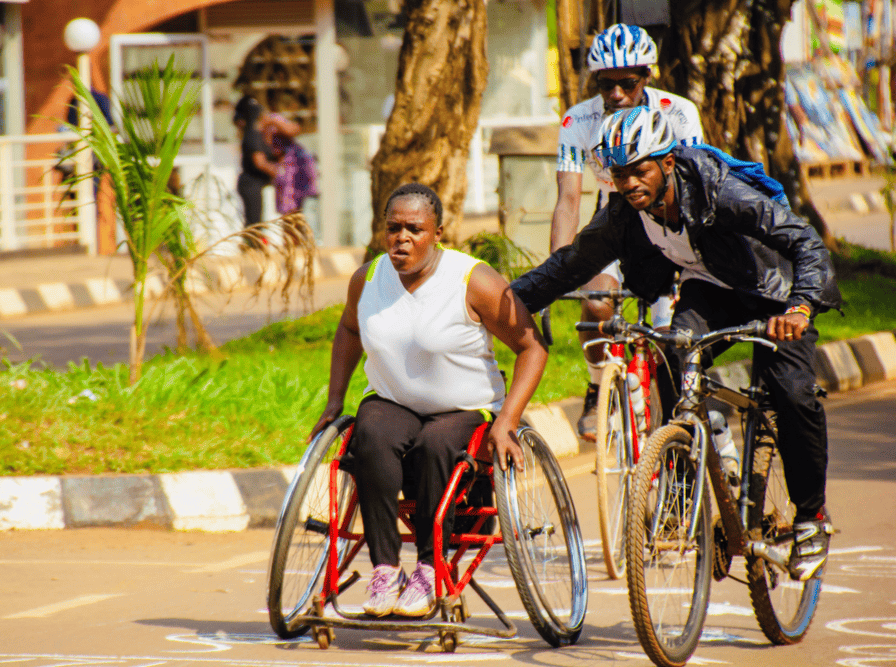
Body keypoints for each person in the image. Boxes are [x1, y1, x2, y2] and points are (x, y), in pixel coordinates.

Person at [511, 106, 841, 582]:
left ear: (667, 162)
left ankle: (812, 518)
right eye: (619, 174)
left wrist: (801, 307)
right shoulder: (626, 214)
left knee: (790, 391)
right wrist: (499, 300)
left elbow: (805, 240)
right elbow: (569, 265)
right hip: (713, 288)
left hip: (777, 291)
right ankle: (684, 490)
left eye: (639, 169)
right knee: (673, 352)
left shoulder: (720, 191)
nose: (628, 183)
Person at [308, 183, 548, 617]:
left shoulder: (472, 280)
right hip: (393, 400)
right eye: (393, 228)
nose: (402, 238)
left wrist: (507, 420)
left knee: (435, 445)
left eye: (414, 229)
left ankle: (427, 566)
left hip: (465, 407)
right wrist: (334, 401)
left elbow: (533, 348)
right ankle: (385, 570)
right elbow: (348, 331)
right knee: (372, 433)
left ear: (438, 233)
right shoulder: (368, 279)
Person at [552, 23, 705, 441]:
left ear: (648, 77)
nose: (616, 94)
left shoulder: (679, 113)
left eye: (627, 83)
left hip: (670, 226)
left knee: (671, 339)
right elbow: (568, 200)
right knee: (597, 304)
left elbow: (695, 186)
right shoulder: (578, 118)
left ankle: (692, 440)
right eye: (606, 85)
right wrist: (557, 270)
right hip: (616, 222)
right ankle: (598, 383)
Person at [233, 96, 300, 226]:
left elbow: (293, 130)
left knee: (258, 221)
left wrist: (274, 122)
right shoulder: (252, 135)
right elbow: (260, 162)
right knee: (254, 223)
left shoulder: (261, 133)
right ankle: (253, 246)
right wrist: (280, 173)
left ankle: (256, 244)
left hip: (259, 184)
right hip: (251, 184)